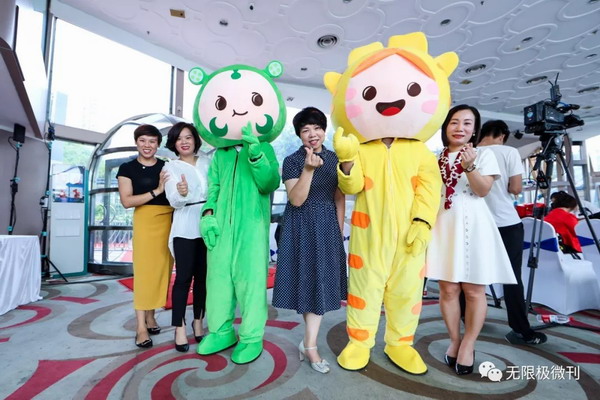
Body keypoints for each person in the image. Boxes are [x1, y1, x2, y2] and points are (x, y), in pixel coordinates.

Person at [426, 105, 516, 375]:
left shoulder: (484, 154)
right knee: (447, 289)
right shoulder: (435, 157)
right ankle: (455, 339)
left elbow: (482, 190)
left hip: (475, 225)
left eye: (467, 123)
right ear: (445, 127)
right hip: (444, 225)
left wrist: (470, 166)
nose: (460, 128)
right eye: (454, 122)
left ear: (474, 129)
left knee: (475, 290)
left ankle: (469, 343)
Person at [272, 107, 347, 374]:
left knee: (321, 284)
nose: (312, 134)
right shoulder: (292, 160)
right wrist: (308, 169)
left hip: (327, 226)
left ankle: (309, 342)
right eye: (305, 130)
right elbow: (296, 199)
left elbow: (339, 197)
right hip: (300, 227)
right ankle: (310, 345)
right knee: (308, 283)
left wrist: (338, 231)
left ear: (324, 130)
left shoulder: (335, 158)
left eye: (317, 128)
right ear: (299, 135)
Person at [477, 120, 547, 345]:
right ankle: (520, 329)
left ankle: (468, 318)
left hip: (478, 224)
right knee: (512, 277)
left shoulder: (469, 153)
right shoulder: (509, 152)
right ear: (502, 135)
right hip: (506, 222)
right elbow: (515, 188)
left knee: (472, 275)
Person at [117, 124, 173, 349]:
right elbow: (127, 201)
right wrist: (156, 191)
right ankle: (141, 327)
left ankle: (151, 317)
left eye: (152, 141)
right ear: (136, 142)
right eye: (142, 140)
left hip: (169, 220)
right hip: (146, 221)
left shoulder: (166, 166)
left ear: (158, 144)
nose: (147, 145)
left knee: (162, 272)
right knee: (144, 274)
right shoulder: (127, 168)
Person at [163, 122, 211, 352]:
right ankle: (179, 327)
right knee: (183, 278)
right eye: (179, 138)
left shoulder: (208, 162)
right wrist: (181, 193)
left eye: (188, 137)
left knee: (203, 278)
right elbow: (173, 200)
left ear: (195, 140)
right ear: (173, 143)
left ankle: (198, 321)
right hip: (184, 225)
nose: (184, 142)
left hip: (208, 223)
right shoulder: (170, 167)